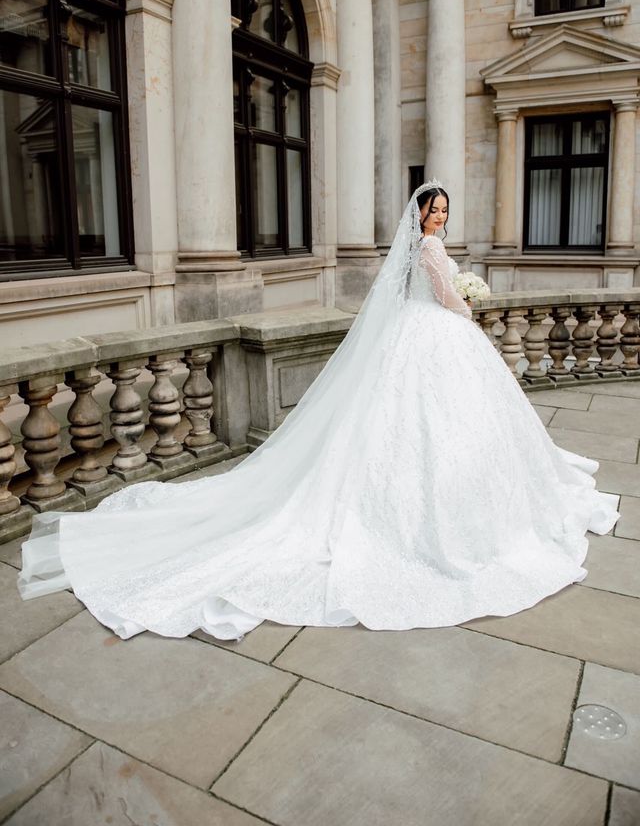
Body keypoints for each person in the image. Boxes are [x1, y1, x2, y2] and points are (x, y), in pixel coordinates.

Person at [18, 181, 619, 641]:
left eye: (442, 209)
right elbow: (445, 299)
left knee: (420, 430)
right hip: (437, 336)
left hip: (417, 339)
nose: (438, 216)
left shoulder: (419, 248)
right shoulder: (432, 250)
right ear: (421, 216)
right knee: (426, 430)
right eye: (432, 209)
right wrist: (468, 308)